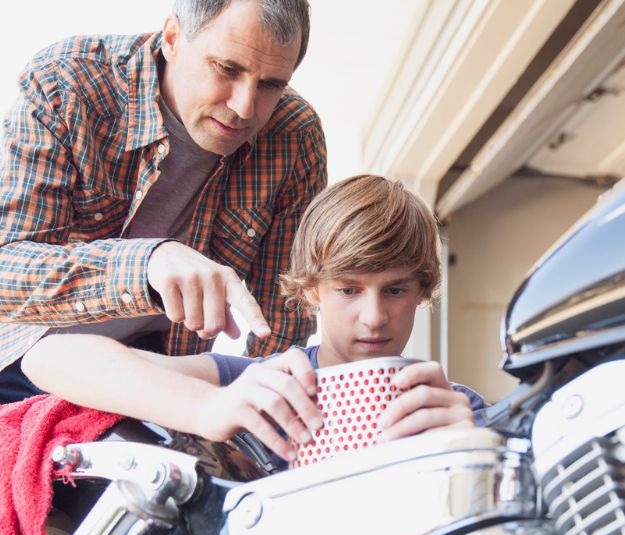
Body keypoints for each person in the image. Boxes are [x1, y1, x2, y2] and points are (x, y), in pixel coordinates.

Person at [22, 174, 485, 466]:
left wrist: (476, 454)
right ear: (309, 291)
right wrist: (209, 406)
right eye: (348, 289)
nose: (374, 317)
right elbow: (47, 358)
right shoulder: (258, 384)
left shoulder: (454, 408)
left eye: (396, 290)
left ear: (422, 291)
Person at [0, 0, 327, 402]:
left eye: (271, 84)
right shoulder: (67, 84)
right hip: (16, 358)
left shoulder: (294, 137)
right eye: (227, 69)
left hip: (149, 374)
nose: (244, 107)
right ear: (172, 38)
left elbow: (283, 318)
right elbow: (6, 270)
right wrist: (149, 262)